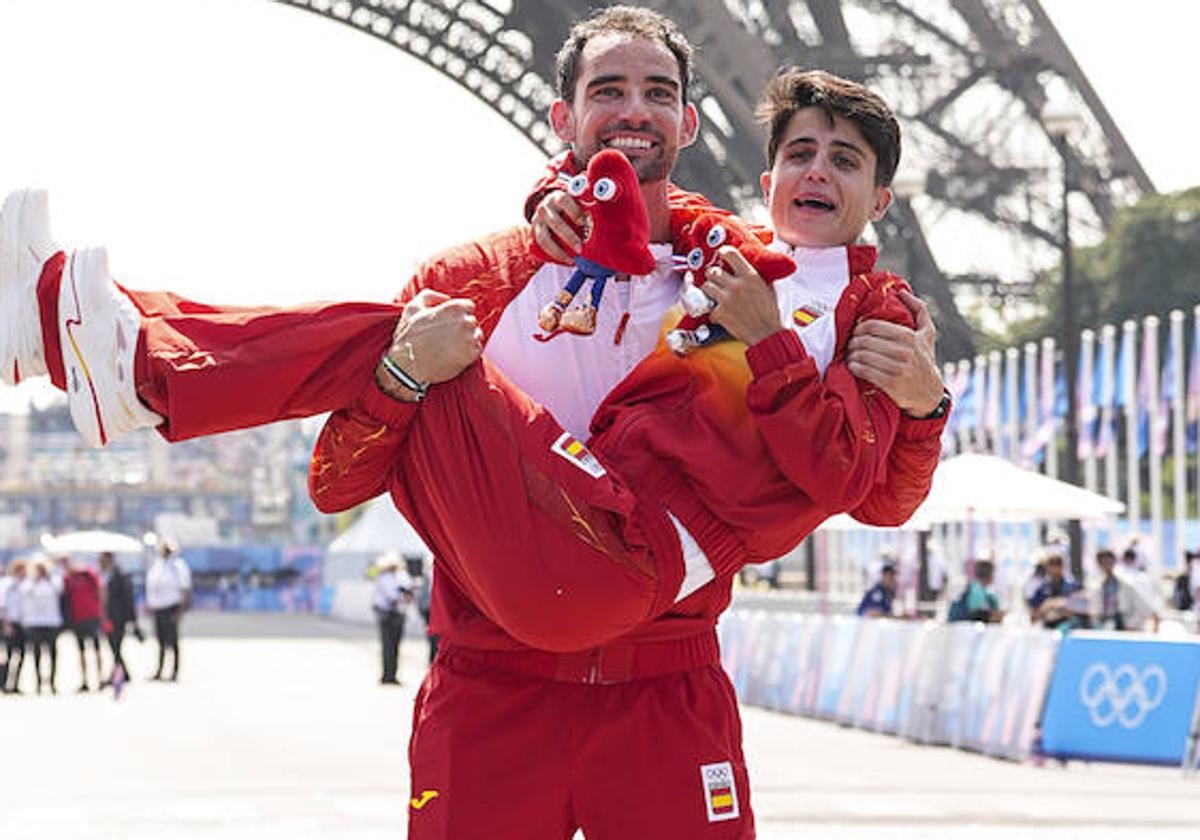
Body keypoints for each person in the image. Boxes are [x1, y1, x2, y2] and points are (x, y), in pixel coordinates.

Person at [0, 8, 945, 835]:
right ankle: (125, 360)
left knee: (388, 337)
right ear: (562, 117)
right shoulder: (475, 280)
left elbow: (881, 496)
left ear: (690, 122)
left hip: (664, 682)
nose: (633, 110)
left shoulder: (741, 273)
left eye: (657, 92)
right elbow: (336, 480)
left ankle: (135, 366)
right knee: (396, 336)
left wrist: (927, 404)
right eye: (607, 89)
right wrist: (408, 376)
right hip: (497, 687)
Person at [144, 539, 191, 682]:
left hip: (171, 607)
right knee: (160, 640)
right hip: (158, 608)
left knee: (173, 641)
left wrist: (180, 611)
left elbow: (185, 589)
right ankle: (160, 670)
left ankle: (174, 672)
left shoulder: (178, 566)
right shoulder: (157, 565)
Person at [61, 555, 106, 691]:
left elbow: (100, 591)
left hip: (92, 616)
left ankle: (100, 679)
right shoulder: (67, 579)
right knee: (81, 651)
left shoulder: (88, 574)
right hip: (77, 618)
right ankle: (85, 680)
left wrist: (101, 612)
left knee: (96, 648)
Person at [20, 559, 63, 694]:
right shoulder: (29, 582)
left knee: (52, 652)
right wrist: (35, 580)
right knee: (37, 653)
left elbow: (59, 590)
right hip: (35, 622)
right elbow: (24, 593)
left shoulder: (53, 580)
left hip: (51, 621)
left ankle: (52, 681)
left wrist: (48, 578)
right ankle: (38, 682)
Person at [1089, 548, 1158, 632]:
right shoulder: (1096, 586)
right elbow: (1094, 612)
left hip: (1125, 629)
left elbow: (1147, 610)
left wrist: (1132, 627)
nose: (1106, 565)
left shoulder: (1127, 584)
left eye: (1109, 561)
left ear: (1114, 562)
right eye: (1102, 562)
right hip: (1104, 629)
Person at [99, 551, 141, 686]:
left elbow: (128, 599)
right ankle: (120, 672)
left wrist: (132, 619)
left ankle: (121, 673)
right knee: (112, 645)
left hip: (117, 618)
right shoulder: (102, 575)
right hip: (106, 617)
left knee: (116, 645)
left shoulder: (120, 576)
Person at [372, 553, 414, 685]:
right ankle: (387, 674)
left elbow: (408, 590)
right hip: (387, 614)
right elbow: (392, 595)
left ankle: (392, 674)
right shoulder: (384, 578)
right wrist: (403, 596)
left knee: (394, 646)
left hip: (397, 614)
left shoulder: (400, 576)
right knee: (388, 645)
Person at [1028, 553, 1085, 631]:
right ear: (1047, 567)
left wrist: (1064, 604)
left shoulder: (1073, 587)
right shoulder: (1041, 589)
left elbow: (1083, 610)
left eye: (1057, 565)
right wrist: (1046, 606)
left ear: (1062, 567)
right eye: (1051, 565)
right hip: (1048, 629)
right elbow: (1033, 618)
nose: (1054, 569)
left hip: (1070, 629)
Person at [0, 559, 25, 693]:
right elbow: (2, 606)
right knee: (7, 655)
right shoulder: (7, 584)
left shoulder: (25, 584)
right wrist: (6, 625)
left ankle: (15, 683)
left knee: (20, 654)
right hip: (9, 623)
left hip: (22, 623)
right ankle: (4, 683)